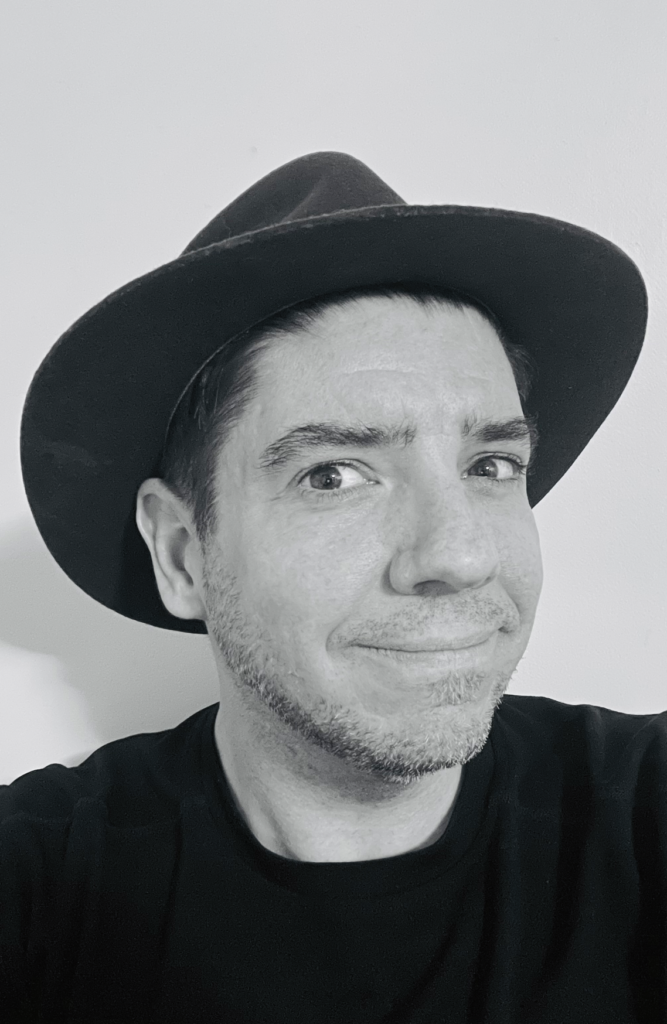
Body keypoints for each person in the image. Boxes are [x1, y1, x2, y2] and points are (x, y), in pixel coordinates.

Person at [3, 152, 662, 1022]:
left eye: (491, 464)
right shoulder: (39, 881)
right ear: (180, 552)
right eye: (334, 475)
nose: (460, 555)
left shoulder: (641, 810)